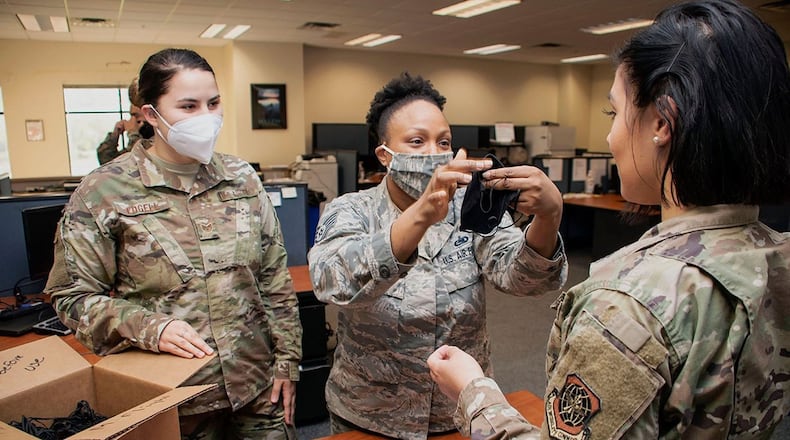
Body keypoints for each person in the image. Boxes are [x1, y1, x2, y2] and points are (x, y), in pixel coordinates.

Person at [428, 0, 790, 438]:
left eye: (614, 113)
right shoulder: (776, 256)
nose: (609, 136)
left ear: (662, 121)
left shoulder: (628, 305)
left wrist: (473, 391)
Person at [46, 48, 302, 440]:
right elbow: (72, 296)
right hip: (175, 398)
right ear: (150, 114)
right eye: (188, 106)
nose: (206, 117)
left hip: (256, 386)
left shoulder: (240, 177)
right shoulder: (105, 190)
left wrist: (288, 361)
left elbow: (272, 276)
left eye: (213, 103)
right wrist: (148, 326)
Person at [307, 72, 568, 438]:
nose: (434, 153)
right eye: (417, 141)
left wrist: (548, 216)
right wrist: (421, 216)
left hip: (458, 412)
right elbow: (330, 282)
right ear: (386, 154)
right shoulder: (351, 210)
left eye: (443, 141)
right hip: (372, 416)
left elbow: (524, 279)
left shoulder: (469, 207)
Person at [96, 77, 154, 165]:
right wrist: (115, 135)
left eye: (136, 116)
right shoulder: (136, 141)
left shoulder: (155, 143)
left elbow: (138, 159)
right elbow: (107, 161)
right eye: (131, 116)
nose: (132, 121)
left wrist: (133, 133)